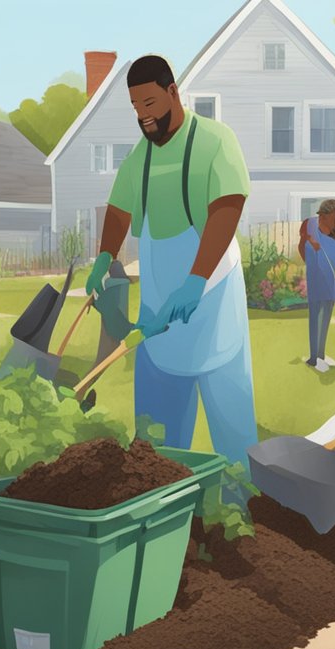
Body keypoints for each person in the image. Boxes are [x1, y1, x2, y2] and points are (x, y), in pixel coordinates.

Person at [86, 54, 258, 471]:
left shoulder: (216, 140)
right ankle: (164, 524)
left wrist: (196, 280)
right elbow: (118, 211)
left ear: (172, 92)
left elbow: (227, 207)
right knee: (154, 450)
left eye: (149, 104)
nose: (143, 117)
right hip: (156, 314)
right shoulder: (140, 158)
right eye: (135, 107)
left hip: (213, 304)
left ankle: (241, 523)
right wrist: (104, 256)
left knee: (234, 445)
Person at [299, 199, 335, 372]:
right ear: (325, 215)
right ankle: (314, 358)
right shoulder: (310, 226)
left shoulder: (332, 238)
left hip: (329, 281)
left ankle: (321, 355)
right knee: (316, 319)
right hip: (316, 280)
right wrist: (314, 259)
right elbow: (302, 248)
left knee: (325, 319)